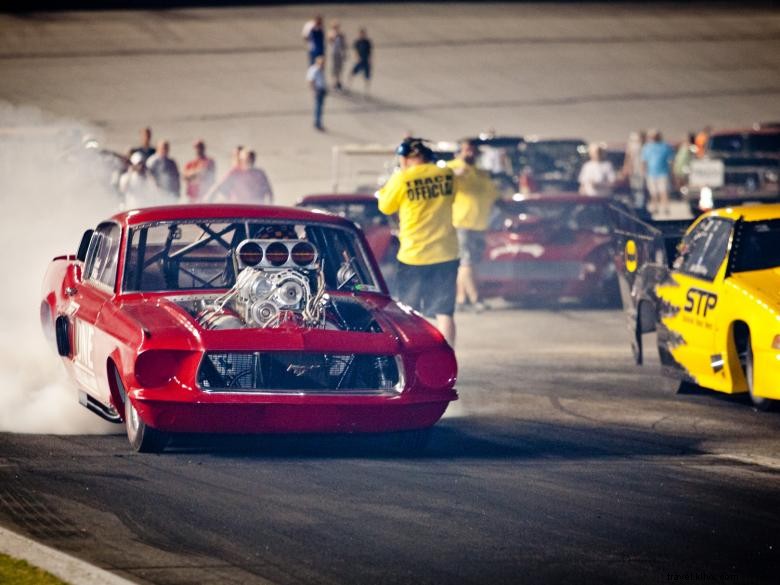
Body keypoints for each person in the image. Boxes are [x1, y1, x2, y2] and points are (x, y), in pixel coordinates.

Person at [377, 138, 459, 346]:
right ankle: (448, 357)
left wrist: (393, 180)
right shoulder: (445, 174)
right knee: (444, 311)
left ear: (405, 159)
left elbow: (385, 207)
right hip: (446, 253)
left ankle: (416, 355)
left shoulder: (403, 178)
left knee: (408, 312)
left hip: (414, 254)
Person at [447, 139, 499, 313]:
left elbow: (494, 193)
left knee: (470, 263)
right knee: (466, 262)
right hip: (462, 223)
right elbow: (444, 176)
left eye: (473, 150)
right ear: (458, 152)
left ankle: (461, 299)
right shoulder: (453, 167)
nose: (470, 153)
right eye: (466, 150)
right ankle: (476, 299)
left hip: (479, 224)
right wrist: (456, 173)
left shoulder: (480, 172)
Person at [206, 149, 273, 204]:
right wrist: (208, 201)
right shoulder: (235, 172)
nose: (250, 161)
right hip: (239, 208)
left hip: (257, 208)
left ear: (254, 159)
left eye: (252, 159)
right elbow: (218, 186)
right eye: (248, 159)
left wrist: (269, 207)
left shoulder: (260, 173)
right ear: (242, 160)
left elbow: (269, 192)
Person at [641, 129, 675, 216]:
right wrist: (644, 172)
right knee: (653, 192)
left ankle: (665, 208)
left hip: (663, 172)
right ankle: (655, 208)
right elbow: (644, 161)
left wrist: (672, 172)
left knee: (663, 191)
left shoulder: (665, 146)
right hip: (651, 173)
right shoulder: (647, 147)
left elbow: (671, 160)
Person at [623, 130, 646, 209]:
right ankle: (636, 202)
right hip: (634, 170)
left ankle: (640, 203)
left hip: (640, 169)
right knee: (634, 186)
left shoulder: (644, 146)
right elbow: (628, 157)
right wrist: (627, 167)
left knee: (640, 186)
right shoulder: (631, 147)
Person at [306, 55, 328, 131]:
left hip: (321, 90)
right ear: (318, 62)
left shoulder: (320, 69)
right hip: (318, 90)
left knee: (319, 107)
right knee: (318, 108)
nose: (323, 65)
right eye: (322, 63)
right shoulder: (314, 70)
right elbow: (311, 81)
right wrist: (314, 91)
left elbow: (322, 80)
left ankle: (317, 122)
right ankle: (318, 123)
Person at [350, 28, 372, 93]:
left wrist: (370, 60)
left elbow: (370, 52)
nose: (362, 35)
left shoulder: (367, 42)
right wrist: (357, 58)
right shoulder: (357, 42)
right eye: (361, 34)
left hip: (366, 60)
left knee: (367, 76)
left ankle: (366, 90)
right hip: (360, 60)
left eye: (363, 34)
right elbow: (355, 51)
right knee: (352, 72)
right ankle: (350, 86)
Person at [328, 21, 347, 91]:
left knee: (340, 68)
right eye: (335, 27)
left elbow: (344, 44)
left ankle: (339, 82)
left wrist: (344, 53)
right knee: (334, 68)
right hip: (334, 53)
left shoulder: (341, 34)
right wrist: (335, 35)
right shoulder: (331, 33)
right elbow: (330, 40)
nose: (336, 28)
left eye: (337, 27)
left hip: (340, 54)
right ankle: (334, 83)